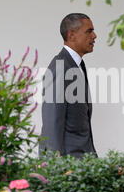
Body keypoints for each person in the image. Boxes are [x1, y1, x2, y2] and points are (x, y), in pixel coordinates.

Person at [39, 13, 98, 159]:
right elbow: (52, 120)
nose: (94, 36)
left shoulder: (75, 65)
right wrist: (54, 164)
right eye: (89, 31)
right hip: (68, 165)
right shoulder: (60, 67)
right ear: (71, 35)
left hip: (82, 162)